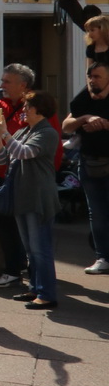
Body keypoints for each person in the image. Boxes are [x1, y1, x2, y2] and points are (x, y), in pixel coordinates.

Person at [0, 64, 63, 287]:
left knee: (37, 244)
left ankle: (41, 289)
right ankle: (26, 279)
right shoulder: (3, 108)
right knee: (19, 235)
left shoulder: (43, 123)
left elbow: (28, 151)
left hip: (34, 185)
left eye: (7, 81)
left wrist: (4, 135)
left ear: (23, 85)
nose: (2, 85)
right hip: (8, 178)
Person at [0, 90, 61, 310]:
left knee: (40, 248)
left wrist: (6, 135)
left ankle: (47, 294)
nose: (24, 110)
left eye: (28, 106)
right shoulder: (25, 130)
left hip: (38, 198)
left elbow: (23, 153)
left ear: (39, 110)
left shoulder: (47, 133)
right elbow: (4, 159)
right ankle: (35, 288)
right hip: (23, 197)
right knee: (31, 250)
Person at [62, 61, 109, 274]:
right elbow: (66, 126)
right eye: (90, 76)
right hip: (90, 163)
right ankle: (103, 257)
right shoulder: (83, 98)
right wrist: (85, 118)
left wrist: (104, 123)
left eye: (97, 76)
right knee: (97, 213)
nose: (92, 80)